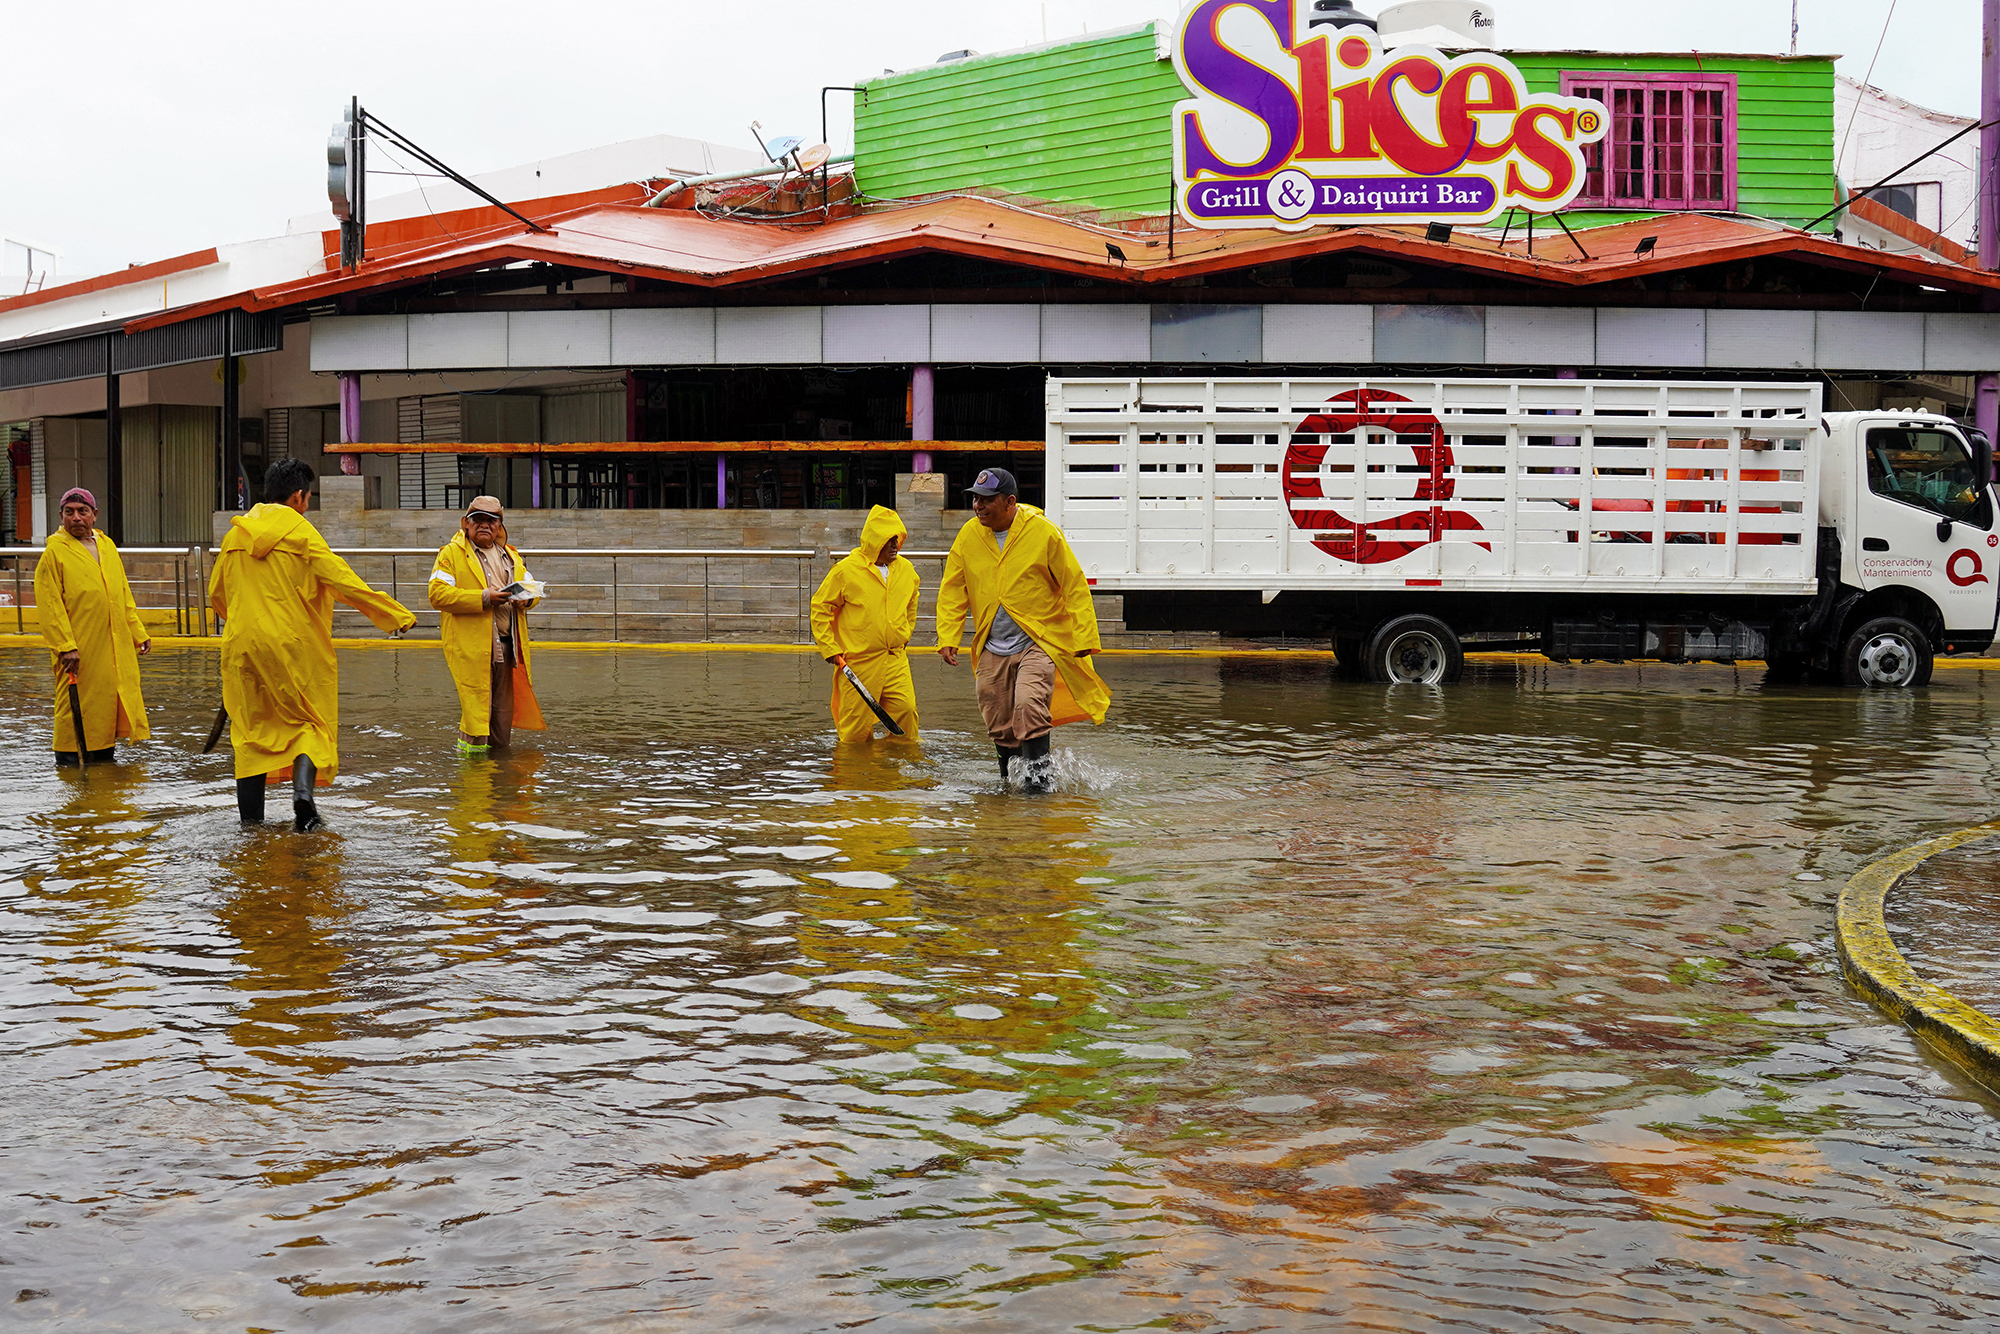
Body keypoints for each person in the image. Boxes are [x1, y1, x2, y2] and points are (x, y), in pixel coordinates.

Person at [208, 458, 416, 832]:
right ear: (299, 496)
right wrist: (394, 614)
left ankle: (250, 827)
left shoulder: (235, 536)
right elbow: (342, 579)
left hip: (240, 645)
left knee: (250, 734)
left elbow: (217, 594)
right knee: (311, 723)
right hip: (291, 645)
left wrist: (245, 623)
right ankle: (302, 796)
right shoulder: (301, 533)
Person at [936, 468, 1109, 792]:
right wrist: (948, 636)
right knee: (996, 716)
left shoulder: (1042, 532)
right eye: (976, 499)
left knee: (1029, 704)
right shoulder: (969, 536)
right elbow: (953, 589)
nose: (978, 506)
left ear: (1010, 502)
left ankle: (1038, 786)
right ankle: (1008, 782)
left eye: (987, 500)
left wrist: (1085, 638)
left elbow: (1073, 585)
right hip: (993, 643)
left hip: (1037, 640)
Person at [35, 487, 151, 767]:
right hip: (79, 649)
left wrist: (137, 631)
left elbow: (121, 592)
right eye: (69, 512)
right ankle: (69, 764)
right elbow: (50, 606)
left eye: (82, 511)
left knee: (107, 703)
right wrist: (66, 646)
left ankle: (101, 764)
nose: (76, 518)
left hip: (112, 645)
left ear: (94, 515)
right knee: (73, 705)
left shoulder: (107, 546)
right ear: (61, 516)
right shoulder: (54, 553)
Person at [427, 496, 546, 754]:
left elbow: (532, 590)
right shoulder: (450, 555)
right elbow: (437, 594)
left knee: (502, 717)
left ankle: (500, 771)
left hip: (507, 648)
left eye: (491, 521)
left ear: (499, 527)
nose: (484, 525)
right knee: (475, 713)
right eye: (478, 520)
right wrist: (484, 598)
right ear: (466, 525)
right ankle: (472, 773)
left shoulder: (511, 557)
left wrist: (526, 600)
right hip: (471, 649)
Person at [811, 504, 920, 743]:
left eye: (897, 538)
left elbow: (911, 603)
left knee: (906, 714)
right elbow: (821, 607)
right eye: (888, 539)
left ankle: (895, 774)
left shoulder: (906, 571)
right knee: (855, 732)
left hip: (895, 659)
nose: (894, 544)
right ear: (874, 540)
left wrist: (904, 633)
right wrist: (830, 648)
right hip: (857, 663)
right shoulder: (846, 571)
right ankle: (854, 777)